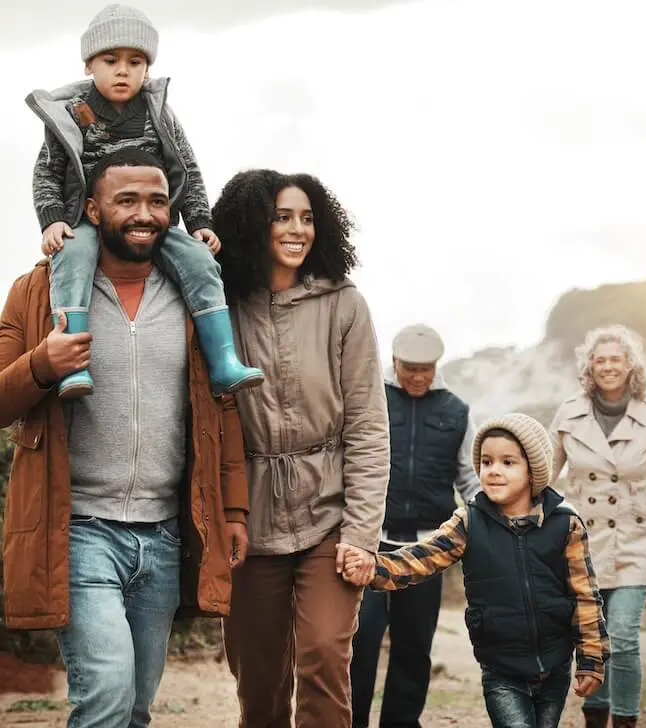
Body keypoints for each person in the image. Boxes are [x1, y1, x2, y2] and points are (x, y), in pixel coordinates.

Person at [0, 149, 249, 728]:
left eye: (158, 202)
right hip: (79, 530)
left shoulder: (196, 295)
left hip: (163, 535)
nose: (146, 214)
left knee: (135, 707)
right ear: (91, 209)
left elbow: (221, 413)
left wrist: (232, 508)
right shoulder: (37, 293)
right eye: (127, 200)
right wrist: (43, 362)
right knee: (106, 695)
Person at [211, 169, 390, 728]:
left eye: (308, 218)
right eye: (282, 217)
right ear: (250, 224)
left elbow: (367, 425)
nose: (297, 230)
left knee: (323, 660)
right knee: (259, 682)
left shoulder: (345, 304)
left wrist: (362, 533)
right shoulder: (221, 304)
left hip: (330, 514)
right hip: (249, 517)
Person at [26, 3, 262, 399]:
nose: (123, 70)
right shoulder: (71, 113)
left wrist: (200, 222)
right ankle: (72, 364)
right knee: (71, 257)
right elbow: (47, 170)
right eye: (111, 59)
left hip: (151, 221)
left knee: (199, 260)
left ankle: (223, 360)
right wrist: (52, 220)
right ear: (89, 64)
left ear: (147, 67)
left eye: (135, 61)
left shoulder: (159, 112)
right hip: (87, 219)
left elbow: (187, 167)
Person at [344, 413, 610, 728]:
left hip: (555, 665)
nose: (494, 470)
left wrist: (591, 659)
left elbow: (585, 595)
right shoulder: (469, 522)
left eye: (508, 462)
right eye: (487, 462)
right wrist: (373, 565)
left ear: (533, 470)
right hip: (501, 668)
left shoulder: (566, 524)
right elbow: (420, 558)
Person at [549, 324, 646, 728]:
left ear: (631, 366)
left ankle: (625, 721)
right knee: (593, 639)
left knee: (625, 637)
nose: (608, 366)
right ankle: (597, 717)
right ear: (589, 368)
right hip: (584, 543)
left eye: (616, 359)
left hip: (638, 542)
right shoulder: (568, 414)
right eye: (600, 360)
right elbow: (543, 474)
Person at [351, 323, 481, 728]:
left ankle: (401, 723)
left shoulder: (457, 412)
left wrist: (492, 518)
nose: (419, 376)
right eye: (410, 368)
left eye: (426, 368)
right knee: (361, 638)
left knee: (414, 646)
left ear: (436, 365)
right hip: (370, 543)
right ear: (394, 362)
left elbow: (469, 478)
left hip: (428, 550)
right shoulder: (372, 399)